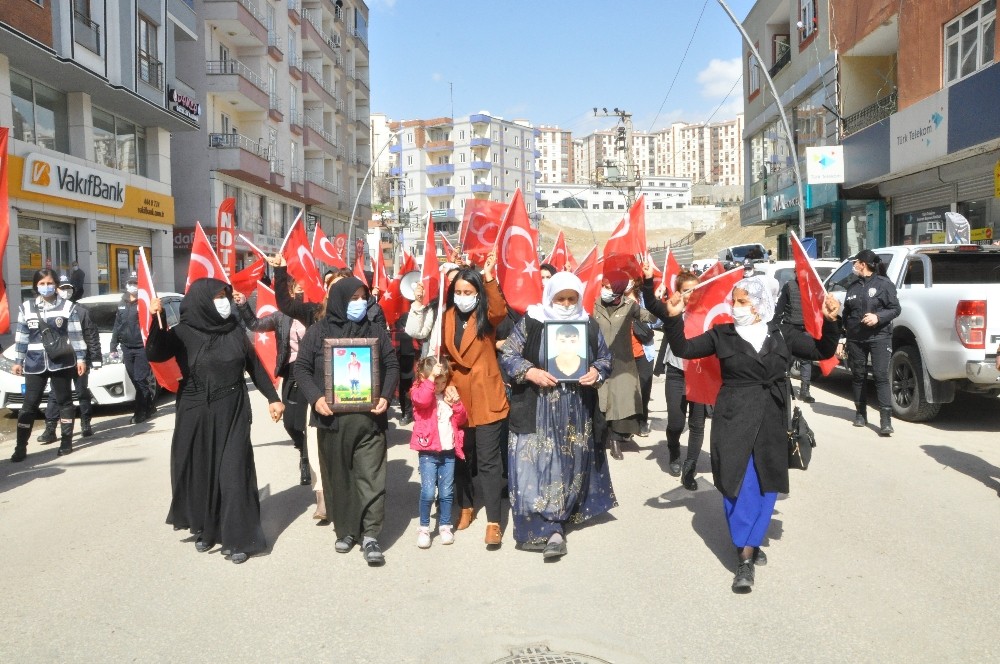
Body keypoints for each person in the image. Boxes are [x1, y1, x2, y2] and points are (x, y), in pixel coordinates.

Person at [661, 277, 840, 593]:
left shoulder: (783, 333)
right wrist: (674, 318)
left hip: (772, 415)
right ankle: (745, 556)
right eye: (734, 301)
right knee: (736, 479)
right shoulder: (722, 334)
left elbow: (822, 350)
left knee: (766, 480)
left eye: (742, 301)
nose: (735, 307)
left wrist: (830, 320)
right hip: (734, 415)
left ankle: (750, 545)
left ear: (759, 304)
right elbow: (684, 348)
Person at [146, 278, 284, 564]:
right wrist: (154, 319)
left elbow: (255, 367)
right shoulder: (182, 332)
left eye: (226, 295)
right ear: (201, 301)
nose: (224, 301)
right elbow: (155, 352)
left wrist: (273, 398)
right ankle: (207, 530)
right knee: (202, 473)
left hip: (232, 408)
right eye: (219, 296)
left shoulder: (234, 331)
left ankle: (239, 539)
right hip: (195, 411)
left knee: (233, 474)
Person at [500, 271, 615, 559]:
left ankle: (563, 512)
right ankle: (549, 526)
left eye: (571, 298)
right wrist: (531, 372)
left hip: (575, 407)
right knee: (536, 463)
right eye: (559, 298)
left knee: (568, 462)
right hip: (536, 406)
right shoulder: (533, 321)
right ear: (549, 296)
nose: (565, 303)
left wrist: (596, 372)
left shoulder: (587, 324)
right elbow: (509, 355)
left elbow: (604, 357)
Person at [294, 276, 399, 566]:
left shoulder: (376, 330)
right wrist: (316, 398)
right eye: (353, 298)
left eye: (363, 297)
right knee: (338, 479)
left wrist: (386, 396)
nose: (360, 303)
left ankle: (370, 535)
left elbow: (391, 365)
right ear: (340, 299)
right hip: (332, 422)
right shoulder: (318, 332)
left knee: (371, 478)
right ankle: (346, 531)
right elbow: (301, 368)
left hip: (369, 421)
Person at [440, 254, 510, 546]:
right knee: (461, 458)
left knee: (490, 462)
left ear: (478, 294)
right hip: (458, 397)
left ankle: (493, 520)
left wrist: (490, 276)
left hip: (486, 395)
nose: (463, 297)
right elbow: (443, 356)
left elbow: (499, 308)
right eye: (458, 292)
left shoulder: (487, 317)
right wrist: (445, 387)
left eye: (468, 292)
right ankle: (466, 506)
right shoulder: (446, 317)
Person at [235, 281, 311, 489]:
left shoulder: (312, 314)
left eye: (301, 290)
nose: (298, 293)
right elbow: (255, 325)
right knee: (289, 423)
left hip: (312, 373)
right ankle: (301, 445)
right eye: (295, 289)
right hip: (290, 372)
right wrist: (243, 305)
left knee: (306, 420)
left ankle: (306, 460)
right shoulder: (280, 317)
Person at [10, 269, 88, 461]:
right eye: (42, 284)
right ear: (36, 285)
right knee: (29, 405)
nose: (46, 287)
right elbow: (21, 337)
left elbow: (76, 335)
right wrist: (18, 361)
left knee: (64, 401)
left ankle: (66, 441)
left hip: (61, 362)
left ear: (56, 285)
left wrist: (81, 358)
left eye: (50, 283)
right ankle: (21, 446)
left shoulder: (67, 307)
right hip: (34, 363)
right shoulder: (26, 308)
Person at [644, 268, 707, 490]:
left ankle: (689, 469)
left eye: (695, 289)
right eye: (686, 290)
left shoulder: (709, 313)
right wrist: (648, 280)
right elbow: (651, 304)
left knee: (697, 424)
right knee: (676, 422)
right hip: (676, 373)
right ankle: (673, 451)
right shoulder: (673, 311)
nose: (691, 294)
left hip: (701, 375)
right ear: (678, 292)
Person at [593, 270, 658, 460]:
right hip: (598, 361)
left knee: (620, 404)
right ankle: (598, 440)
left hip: (623, 362)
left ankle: (615, 441)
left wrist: (661, 306)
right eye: (603, 286)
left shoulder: (630, 306)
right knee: (600, 403)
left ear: (619, 289)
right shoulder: (594, 304)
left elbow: (651, 318)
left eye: (609, 287)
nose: (605, 290)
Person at [409, 356, 467, 548]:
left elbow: (461, 420)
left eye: (443, 382)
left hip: (448, 452)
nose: (440, 386)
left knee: (446, 492)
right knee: (427, 492)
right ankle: (424, 528)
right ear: (425, 378)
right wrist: (430, 380)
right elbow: (423, 400)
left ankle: (444, 525)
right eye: (436, 382)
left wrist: (457, 404)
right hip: (428, 452)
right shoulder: (420, 393)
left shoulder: (447, 396)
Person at [842, 249, 901, 436]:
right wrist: (843, 337)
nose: (854, 266)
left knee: (881, 376)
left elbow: (895, 309)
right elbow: (846, 314)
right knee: (858, 376)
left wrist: (878, 317)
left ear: (863, 264)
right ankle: (860, 414)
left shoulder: (884, 284)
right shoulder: (852, 286)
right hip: (856, 339)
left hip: (879, 337)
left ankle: (885, 420)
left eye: (855, 263)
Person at [37, 276, 101, 443]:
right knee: (55, 395)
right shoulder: (48, 310)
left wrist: (95, 358)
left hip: (80, 359)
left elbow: (91, 335)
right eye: (62, 288)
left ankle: (86, 424)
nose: (65, 291)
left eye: (68, 288)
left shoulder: (81, 311)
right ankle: (50, 428)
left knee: (81, 392)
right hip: (60, 360)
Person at [110, 272, 156, 424]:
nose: (133, 286)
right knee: (135, 380)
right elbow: (118, 325)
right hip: (126, 347)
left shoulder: (144, 302)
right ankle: (149, 404)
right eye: (131, 283)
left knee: (140, 378)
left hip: (141, 347)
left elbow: (151, 322)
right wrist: (113, 344)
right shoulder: (122, 302)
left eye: (136, 283)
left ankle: (140, 412)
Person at [774, 277, 816, 403]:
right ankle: (784, 387)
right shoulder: (789, 286)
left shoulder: (813, 287)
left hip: (806, 328)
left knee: (806, 359)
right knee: (787, 358)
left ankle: (805, 390)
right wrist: (775, 325)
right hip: (790, 327)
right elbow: (780, 308)